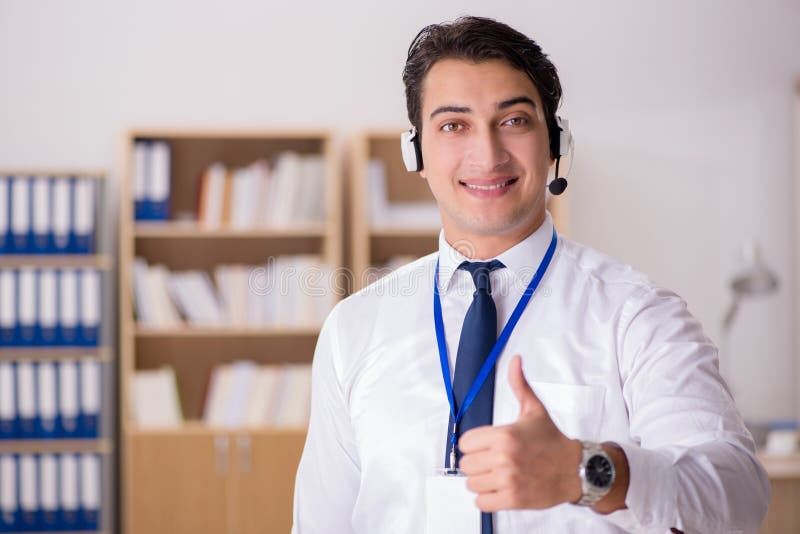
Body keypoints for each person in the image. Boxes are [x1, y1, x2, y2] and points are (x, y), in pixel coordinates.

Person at [292, 15, 770, 534]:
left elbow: (739, 497)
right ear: (417, 153)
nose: (487, 154)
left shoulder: (637, 314)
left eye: (514, 120)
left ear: (555, 143)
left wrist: (587, 471)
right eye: (454, 125)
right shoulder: (354, 328)